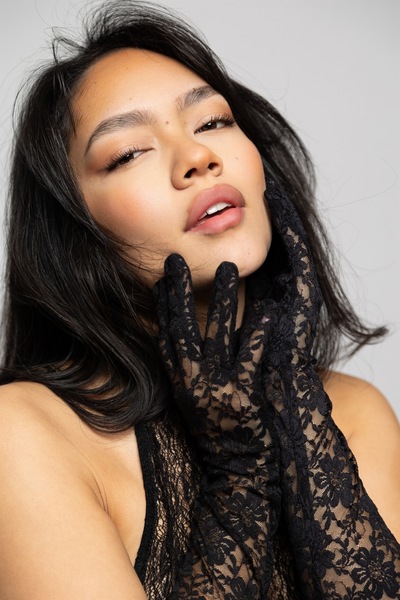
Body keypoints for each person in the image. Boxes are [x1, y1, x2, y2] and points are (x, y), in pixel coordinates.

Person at [0, 1, 399, 598]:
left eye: (212, 122)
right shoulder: (21, 434)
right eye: (129, 153)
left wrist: (292, 397)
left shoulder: (356, 411)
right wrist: (239, 480)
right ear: (75, 233)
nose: (198, 158)